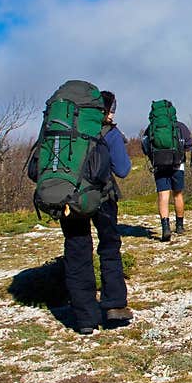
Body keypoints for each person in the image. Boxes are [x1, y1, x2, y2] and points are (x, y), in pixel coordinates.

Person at [59, 91, 133, 335]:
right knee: (109, 246)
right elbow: (122, 169)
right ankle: (114, 306)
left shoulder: (65, 129)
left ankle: (84, 319)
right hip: (102, 198)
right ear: (108, 110)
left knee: (77, 250)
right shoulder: (108, 133)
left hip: (69, 199)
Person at [141, 115, 192, 241]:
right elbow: (189, 144)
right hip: (177, 164)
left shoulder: (152, 127)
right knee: (177, 195)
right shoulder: (180, 126)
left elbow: (145, 145)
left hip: (159, 166)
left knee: (163, 196)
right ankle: (179, 226)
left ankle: (165, 228)